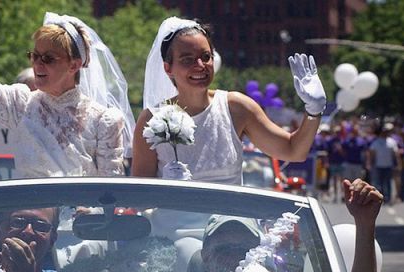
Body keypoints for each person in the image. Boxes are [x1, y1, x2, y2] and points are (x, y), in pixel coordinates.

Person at [0, 1, 134, 178]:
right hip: (26, 222)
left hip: (81, 224)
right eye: (35, 56)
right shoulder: (20, 102)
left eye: (48, 58)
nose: (38, 64)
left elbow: (109, 194)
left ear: (74, 65)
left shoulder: (104, 120)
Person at [151, 178, 383, 272]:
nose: (233, 259)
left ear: (258, 256)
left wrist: (365, 224)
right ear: (206, 256)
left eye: (242, 250)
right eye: (223, 249)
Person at [131, 17, 326, 185]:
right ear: (168, 68)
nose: (200, 66)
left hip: (227, 226)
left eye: (205, 57)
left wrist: (313, 111)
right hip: (170, 227)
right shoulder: (152, 119)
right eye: (187, 59)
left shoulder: (236, 107)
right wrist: (164, 187)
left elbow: (293, 151)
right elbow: (139, 200)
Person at [367, 123, 400, 205]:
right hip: (378, 166)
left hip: (388, 165)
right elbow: (372, 153)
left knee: (388, 183)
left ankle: (388, 198)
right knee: (379, 183)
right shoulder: (376, 142)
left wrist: (397, 164)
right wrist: (370, 164)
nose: (385, 133)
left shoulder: (391, 142)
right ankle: (380, 198)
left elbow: (395, 154)